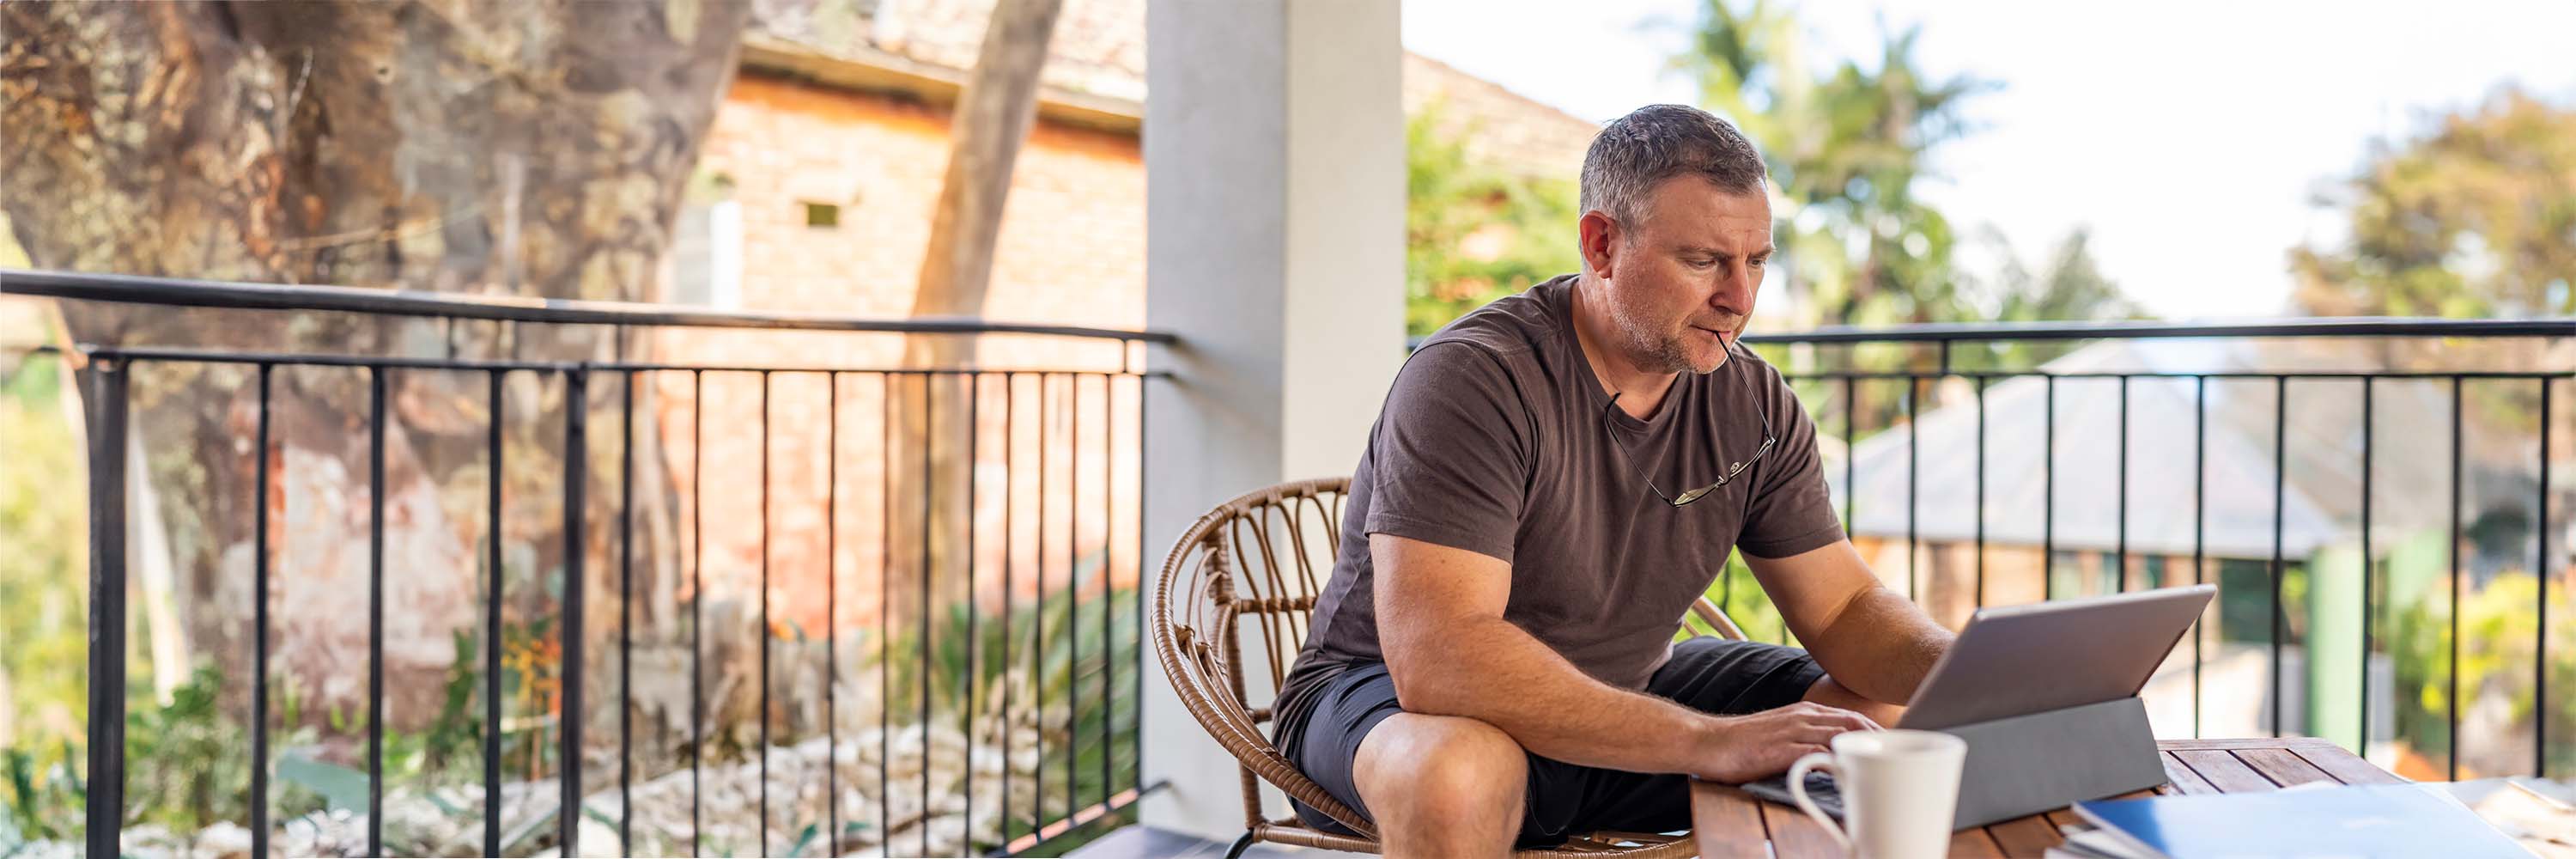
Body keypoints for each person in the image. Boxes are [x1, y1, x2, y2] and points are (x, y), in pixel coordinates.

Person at [1268, 104, 1957, 858]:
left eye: (1756, 260)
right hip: (1393, 699)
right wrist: (1706, 742)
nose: (1740, 298)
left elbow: (1847, 607)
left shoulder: (1753, 401)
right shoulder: (1475, 377)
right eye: (1703, 261)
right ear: (1601, 244)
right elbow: (1441, 656)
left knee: (1881, 716)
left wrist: (1966, 672)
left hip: (1627, 693)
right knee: (1456, 775)